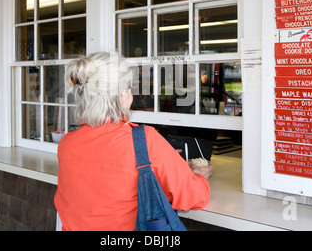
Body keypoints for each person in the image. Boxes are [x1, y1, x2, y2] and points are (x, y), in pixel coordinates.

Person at [54, 52, 213, 231]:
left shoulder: (67, 143)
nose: (131, 95)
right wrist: (199, 175)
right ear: (121, 95)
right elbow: (193, 197)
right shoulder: (143, 140)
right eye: (129, 88)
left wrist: (155, 164)